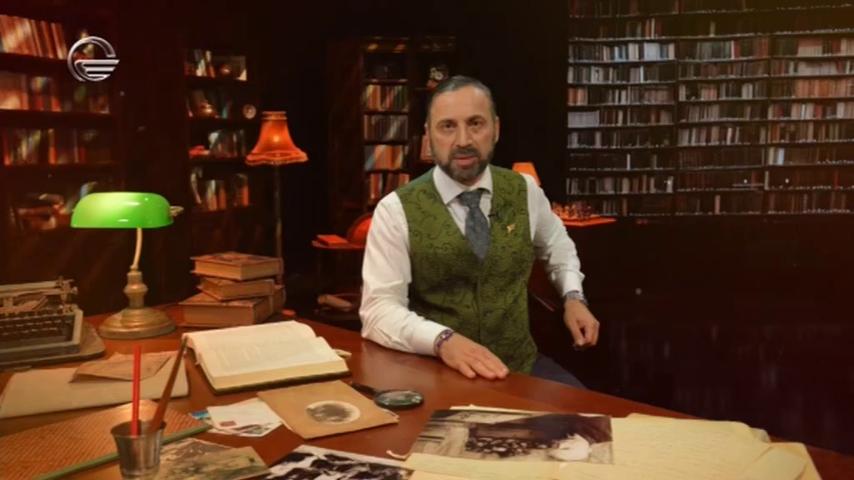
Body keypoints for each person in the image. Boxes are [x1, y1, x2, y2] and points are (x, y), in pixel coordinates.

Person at [359, 75, 599, 386]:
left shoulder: (525, 190)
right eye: (447, 126)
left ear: (495, 129)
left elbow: (558, 246)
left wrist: (573, 296)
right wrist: (442, 340)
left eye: (475, 124)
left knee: (587, 415)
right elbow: (378, 310)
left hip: (520, 369)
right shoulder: (395, 210)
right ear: (428, 136)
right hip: (436, 374)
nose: (463, 140)